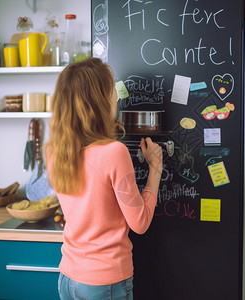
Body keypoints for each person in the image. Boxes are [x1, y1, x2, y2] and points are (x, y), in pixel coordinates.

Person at [45, 57, 163, 300]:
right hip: (104, 283)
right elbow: (139, 223)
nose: (116, 98)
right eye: (111, 91)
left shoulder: (55, 150)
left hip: (68, 278)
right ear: (98, 101)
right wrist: (155, 168)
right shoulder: (113, 153)